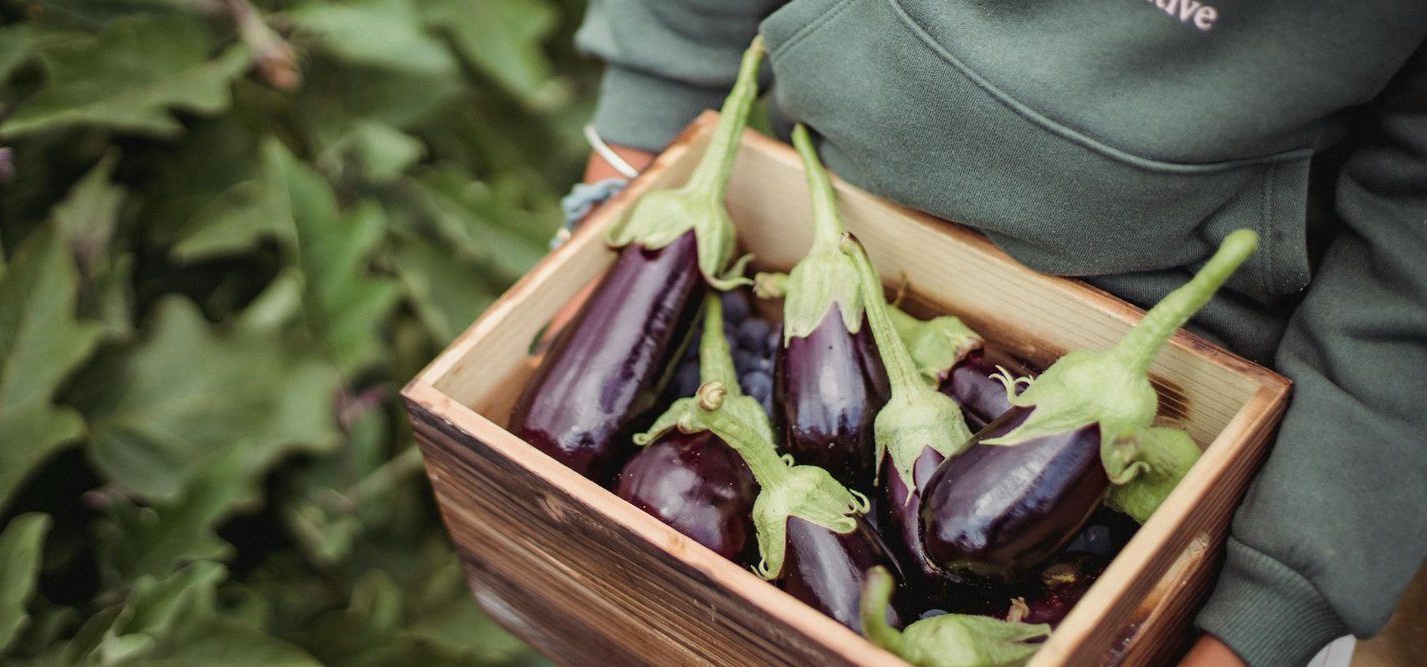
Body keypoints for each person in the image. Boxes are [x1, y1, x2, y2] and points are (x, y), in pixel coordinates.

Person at [567, 2, 1427, 666]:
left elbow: (1410, 278)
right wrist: (630, 158)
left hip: (1231, 443)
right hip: (812, 265)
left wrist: (1276, 600)